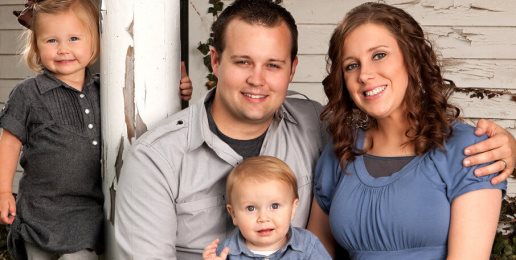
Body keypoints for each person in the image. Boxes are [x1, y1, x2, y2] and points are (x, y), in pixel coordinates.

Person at [114, 0, 516, 258]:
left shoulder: (316, 127)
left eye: (272, 65)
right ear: (215, 62)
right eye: (242, 62)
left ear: (292, 70)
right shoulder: (155, 160)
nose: (258, 79)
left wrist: (507, 143)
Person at [307, 2, 506, 259]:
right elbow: (312, 251)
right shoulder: (341, 151)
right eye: (351, 65)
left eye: (379, 55)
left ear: (411, 58)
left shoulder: (469, 149)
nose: (365, 74)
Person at [0, 0, 103, 259]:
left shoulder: (106, 91)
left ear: (95, 42)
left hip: (86, 213)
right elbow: (10, 143)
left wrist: (177, 89)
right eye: (51, 41)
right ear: (36, 46)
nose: (63, 49)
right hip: (39, 213)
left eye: (74, 38)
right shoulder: (28, 94)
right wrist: (3, 191)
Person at [202, 156, 331, 259]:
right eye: (251, 208)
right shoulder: (225, 252)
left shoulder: (307, 245)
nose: (263, 218)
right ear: (233, 214)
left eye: (274, 206)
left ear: (293, 208)